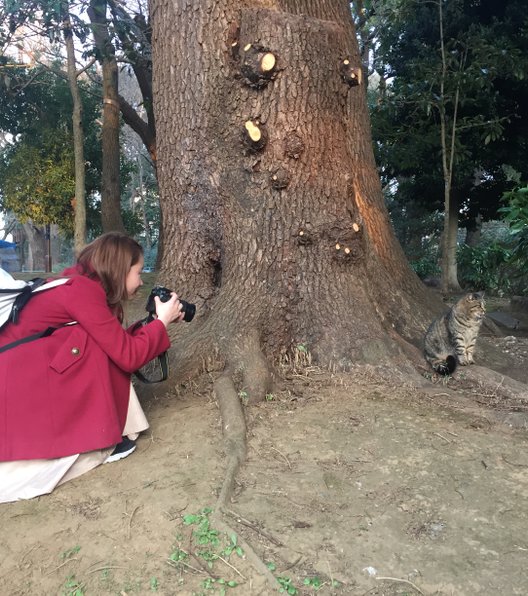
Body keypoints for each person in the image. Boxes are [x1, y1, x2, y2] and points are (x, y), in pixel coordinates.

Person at [0, 232, 184, 503]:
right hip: (17, 384)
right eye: (137, 271)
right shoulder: (82, 291)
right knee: (87, 345)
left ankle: (100, 431)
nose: (141, 280)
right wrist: (162, 323)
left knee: (92, 343)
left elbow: (115, 341)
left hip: (21, 376)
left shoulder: (79, 284)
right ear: (119, 270)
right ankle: (99, 439)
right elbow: (127, 356)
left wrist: (152, 323)